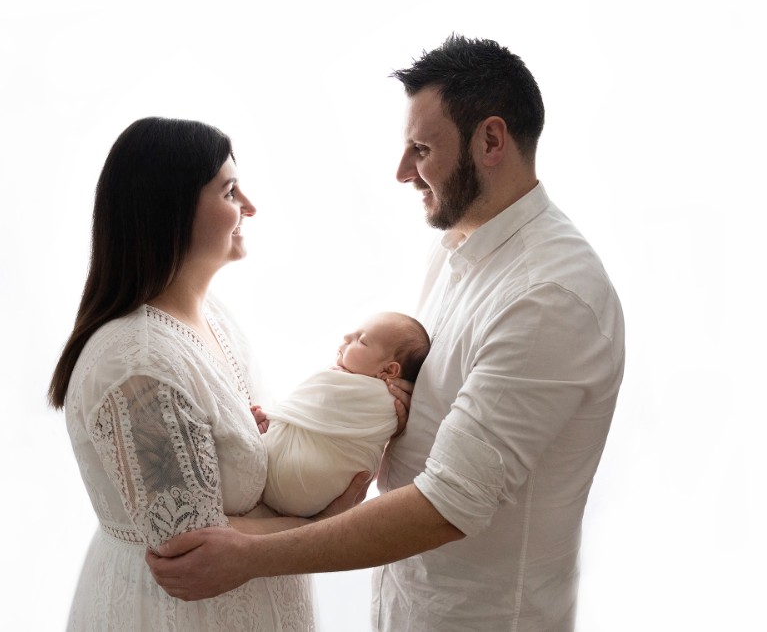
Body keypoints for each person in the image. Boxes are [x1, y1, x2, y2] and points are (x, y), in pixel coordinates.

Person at [146, 36, 626, 632]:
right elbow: (427, 431)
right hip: (407, 607)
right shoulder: (459, 249)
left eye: (421, 149)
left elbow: (449, 504)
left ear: (492, 140)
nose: (402, 172)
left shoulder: (548, 297)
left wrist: (251, 557)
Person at [47, 117, 378, 631]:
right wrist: (323, 524)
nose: (249, 205)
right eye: (229, 190)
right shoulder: (136, 365)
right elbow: (190, 550)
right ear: (170, 209)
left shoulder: (213, 317)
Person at [262, 312, 430, 517]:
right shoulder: (386, 399)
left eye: (362, 340)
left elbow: (317, 397)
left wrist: (276, 416)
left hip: (298, 474)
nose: (347, 337)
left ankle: (271, 430)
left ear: (388, 370)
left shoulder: (382, 399)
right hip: (313, 499)